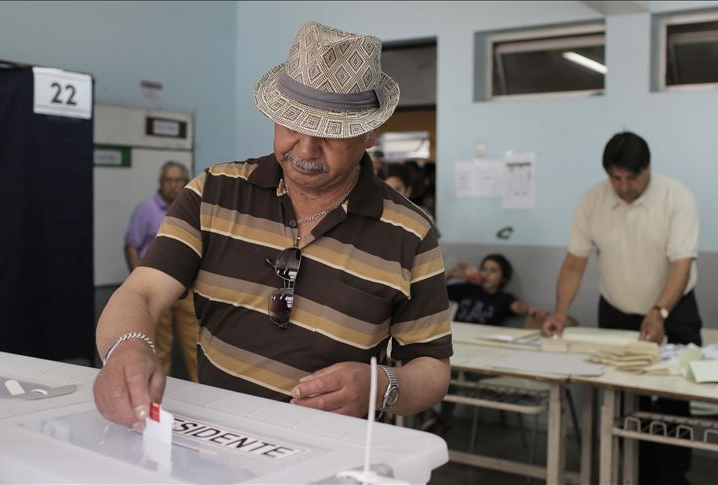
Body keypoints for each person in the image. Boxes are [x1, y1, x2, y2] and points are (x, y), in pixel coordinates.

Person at [94, 21, 452, 430]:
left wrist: (382, 386)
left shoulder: (411, 233)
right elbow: (140, 292)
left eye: (328, 134)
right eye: (291, 125)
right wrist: (128, 348)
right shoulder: (213, 193)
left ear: (369, 133)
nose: (304, 148)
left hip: (332, 454)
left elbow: (431, 368)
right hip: (216, 440)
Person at [541, 131, 702, 485]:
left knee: (676, 398)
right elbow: (574, 263)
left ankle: (674, 477)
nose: (624, 186)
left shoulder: (677, 198)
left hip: (673, 311)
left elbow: (681, 265)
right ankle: (634, 474)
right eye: (616, 177)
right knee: (626, 401)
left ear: (648, 169)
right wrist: (560, 310)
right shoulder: (592, 201)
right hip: (617, 311)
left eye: (632, 177)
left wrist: (659, 312)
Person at [124, 161, 199, 382]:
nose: (174, 185)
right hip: (156, 288)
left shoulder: (195, 208)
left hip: (188, 288)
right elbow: (131, 245)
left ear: (186, 182)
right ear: (160, 182)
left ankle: (204, 393)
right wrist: (137, 283)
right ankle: (158, 398)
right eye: (169, 180)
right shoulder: (145, 210)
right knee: (159, 346)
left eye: (178, 180)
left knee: (194, 345)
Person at [447, 254, 546, 326]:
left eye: (493, 270)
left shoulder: (503, 298)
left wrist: (530, 309)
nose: (487, 274)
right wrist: (450, 275)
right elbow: (435, 293)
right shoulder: (467, 289)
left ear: (503, 278)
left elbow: (518, 306)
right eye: (484, 269)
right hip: (458, 334)